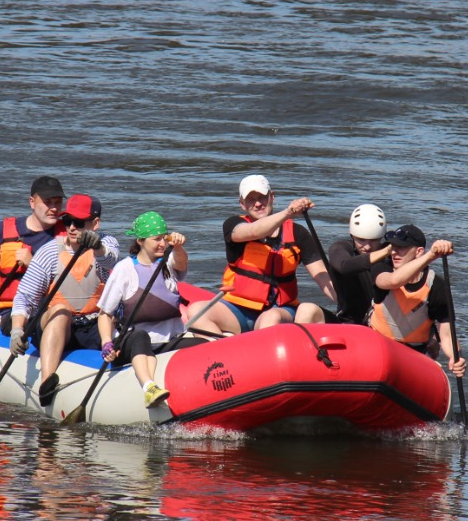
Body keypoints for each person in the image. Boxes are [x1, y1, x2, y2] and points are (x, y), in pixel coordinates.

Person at [189, 173, 337, 336]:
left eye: (262, 197)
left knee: (270, 318)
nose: (258, 203)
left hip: (280, 310)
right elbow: (253, 231)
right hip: (238, 309)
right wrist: (287, 212)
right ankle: (220, 357)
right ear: (242, 204)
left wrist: (345, 303)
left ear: (272, 197)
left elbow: (323, 277)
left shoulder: (298, 234)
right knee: (197, 311)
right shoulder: (233, 225)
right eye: (251, 199)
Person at [8, 194, 122, 405]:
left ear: (95, 223)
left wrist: (96, 247)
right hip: (57, 323)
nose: (71, 228)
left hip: (95, 324)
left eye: (78, 223)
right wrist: (17, 331)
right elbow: (25, 297)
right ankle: (46, 384)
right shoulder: (50, 252)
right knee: (61, 309)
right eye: (67, 221)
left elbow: (110, 258)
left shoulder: (106, 244)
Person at [96, 212, 196, 409]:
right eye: (156, 239)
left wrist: (178, 247)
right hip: (133, 343)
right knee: (141, 336)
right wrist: (106, 342)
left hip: (169, 339)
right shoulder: (124, 269)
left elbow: (181, 262)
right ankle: (149, 387)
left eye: (164, 238)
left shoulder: (168, 261)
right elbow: (105, 314)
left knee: (202, 344)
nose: (162, 244)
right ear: (141, 241)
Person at [0, 175, 66, 346]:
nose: (54, 208)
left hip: (58, 308)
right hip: (14, 313)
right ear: (32, 202)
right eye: (48, 202)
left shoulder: (69, 235)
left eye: (57, 202)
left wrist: (33, 265)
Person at [370, 224, 468, 378]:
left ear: (418, 252)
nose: (394, 252)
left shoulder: (437, 285)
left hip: (413, 353)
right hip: (378, 346)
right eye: (393, 247)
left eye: (401, 248)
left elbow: (447, 335)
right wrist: (431, 256)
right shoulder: (382, 268)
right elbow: (393, 281)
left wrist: (455, 358)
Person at [326, 203, 394, 325]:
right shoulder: (340, 248)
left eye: (374, 240)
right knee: (307, 309)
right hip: (348, 322)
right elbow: (344, 266)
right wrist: (386, 251)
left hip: (383, 325)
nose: (367, 247)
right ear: (352, 235)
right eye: (361, 240)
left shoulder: (394, 254)